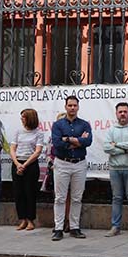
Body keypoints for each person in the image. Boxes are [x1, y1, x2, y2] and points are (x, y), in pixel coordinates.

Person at [51, 95, 92, 241]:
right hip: (62, 163)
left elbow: (88, 141)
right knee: (60, 198)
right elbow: (57, 143)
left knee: (77, 197)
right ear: (65, 107)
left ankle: (74, 227)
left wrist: (67, 139)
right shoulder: (58, 125)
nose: (72, 108)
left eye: (75, 105)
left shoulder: (85, 124)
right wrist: (76, 140)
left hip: (79, 163)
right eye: (70, 105)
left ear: (78, 107)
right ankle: (58, 228)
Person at [103, 102, 128, 238]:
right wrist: (127, 149)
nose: (123, 114)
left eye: (125, 111)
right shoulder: (111, 130)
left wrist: (118, 145)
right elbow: (107, 147)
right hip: (115, 169)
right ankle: (115, 226)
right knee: (116, 198)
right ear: (116, 114)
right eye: (120, 112)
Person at [9, 108, 44, 231]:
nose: (22, 119)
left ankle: (30, 220)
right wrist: (17, 163)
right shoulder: (18, 131)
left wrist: (25, 165)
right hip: (18, 162)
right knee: (18, 193)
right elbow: (12, 148)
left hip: (30, 164)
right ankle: (22, 219)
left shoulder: (38, 133)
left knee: (30, 192)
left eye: (23, 117)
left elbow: (37, 151)